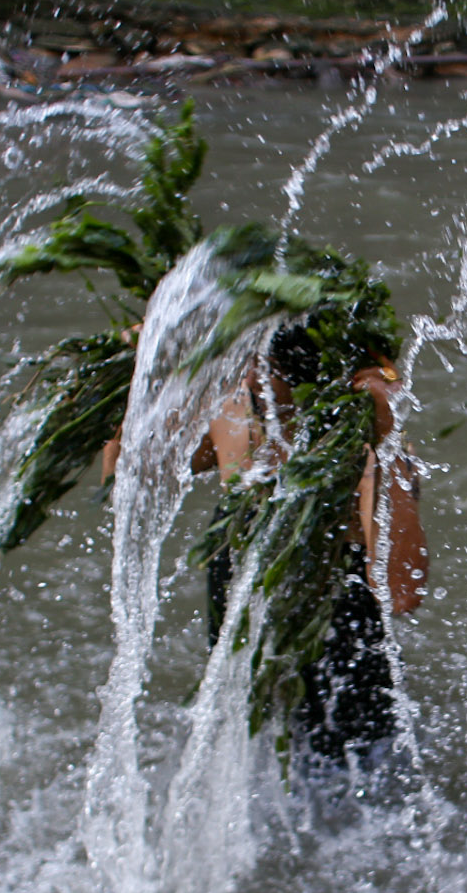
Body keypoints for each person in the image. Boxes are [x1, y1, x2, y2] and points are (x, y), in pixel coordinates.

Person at [103, 323, 426, 766]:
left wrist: (385, 435)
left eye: (264, 370)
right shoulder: (239, 415)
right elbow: (125, 472)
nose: (248, 380)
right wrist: (148, 373)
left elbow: (403, 593)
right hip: (249, 707)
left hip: (347, 718)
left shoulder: (367, 455)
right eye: (248, 365)